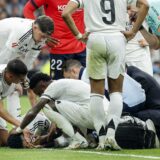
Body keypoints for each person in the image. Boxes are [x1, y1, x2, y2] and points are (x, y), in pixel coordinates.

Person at [62, 0, 149, 150]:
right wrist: (133, 31)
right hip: (117, 38)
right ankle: (111, 135)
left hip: (94, 38)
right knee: (116, 92)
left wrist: (78, 35)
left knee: (96, 94)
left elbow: (65, 13)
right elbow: (145, 5)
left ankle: (101, 139)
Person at [0, 15, 55, 120]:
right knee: (9, 85)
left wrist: (22, 78)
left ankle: (16, 126)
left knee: (14, 88)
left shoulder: (40, 36)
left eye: (45, 38)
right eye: (42, 36)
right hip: (3, 51)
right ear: (35, 27)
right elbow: (5, 57)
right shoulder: (21, 32)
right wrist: (14, 79)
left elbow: (30, 58)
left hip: (5, 50)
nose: (43, 40)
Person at [23, 0, 86, 80]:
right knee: (58, 86)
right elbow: (27, 9)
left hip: (81, 49)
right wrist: (42, 35)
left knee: (85, 85)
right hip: (58, 50)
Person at [0, 59, 28, 146]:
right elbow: (0, 110)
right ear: (10, 76)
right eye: (20, 79)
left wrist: (17, 84)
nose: (23, 80)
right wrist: (20, 125)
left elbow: (27, 85)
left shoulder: (12, 71)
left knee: (5, 141)